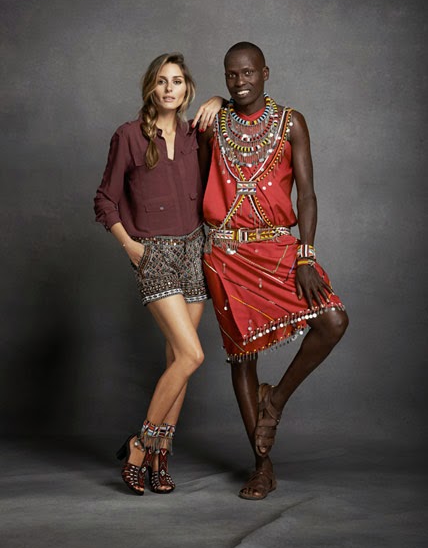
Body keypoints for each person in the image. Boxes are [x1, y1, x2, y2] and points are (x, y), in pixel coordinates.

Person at [197, 42, 349, 501]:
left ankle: (275, 400)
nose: (239, 81)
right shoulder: (214, 123)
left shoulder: (291, 122)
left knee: (333, 320)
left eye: (248, 73)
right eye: (230, 75)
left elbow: (307, 194)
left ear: (266, 73)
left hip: (278, 247)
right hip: (225, 252)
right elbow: (195, 183)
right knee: (242, 357)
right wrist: (214, 104)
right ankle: (262, 467)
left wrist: (306, 255)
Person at [94, 53, 221, 495]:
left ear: (187, 89)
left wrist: (220, 101)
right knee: (191, 355)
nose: (170, 89)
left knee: (176, 363)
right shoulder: (128, 135)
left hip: (194, 251)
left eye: (178, 81)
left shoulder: (195, 134)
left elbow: (235, 117)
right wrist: (130, 246)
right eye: (162, 81)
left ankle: (161, 457)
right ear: (151, 87)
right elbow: (105, 199)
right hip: (156, 254)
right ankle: (139, 446)